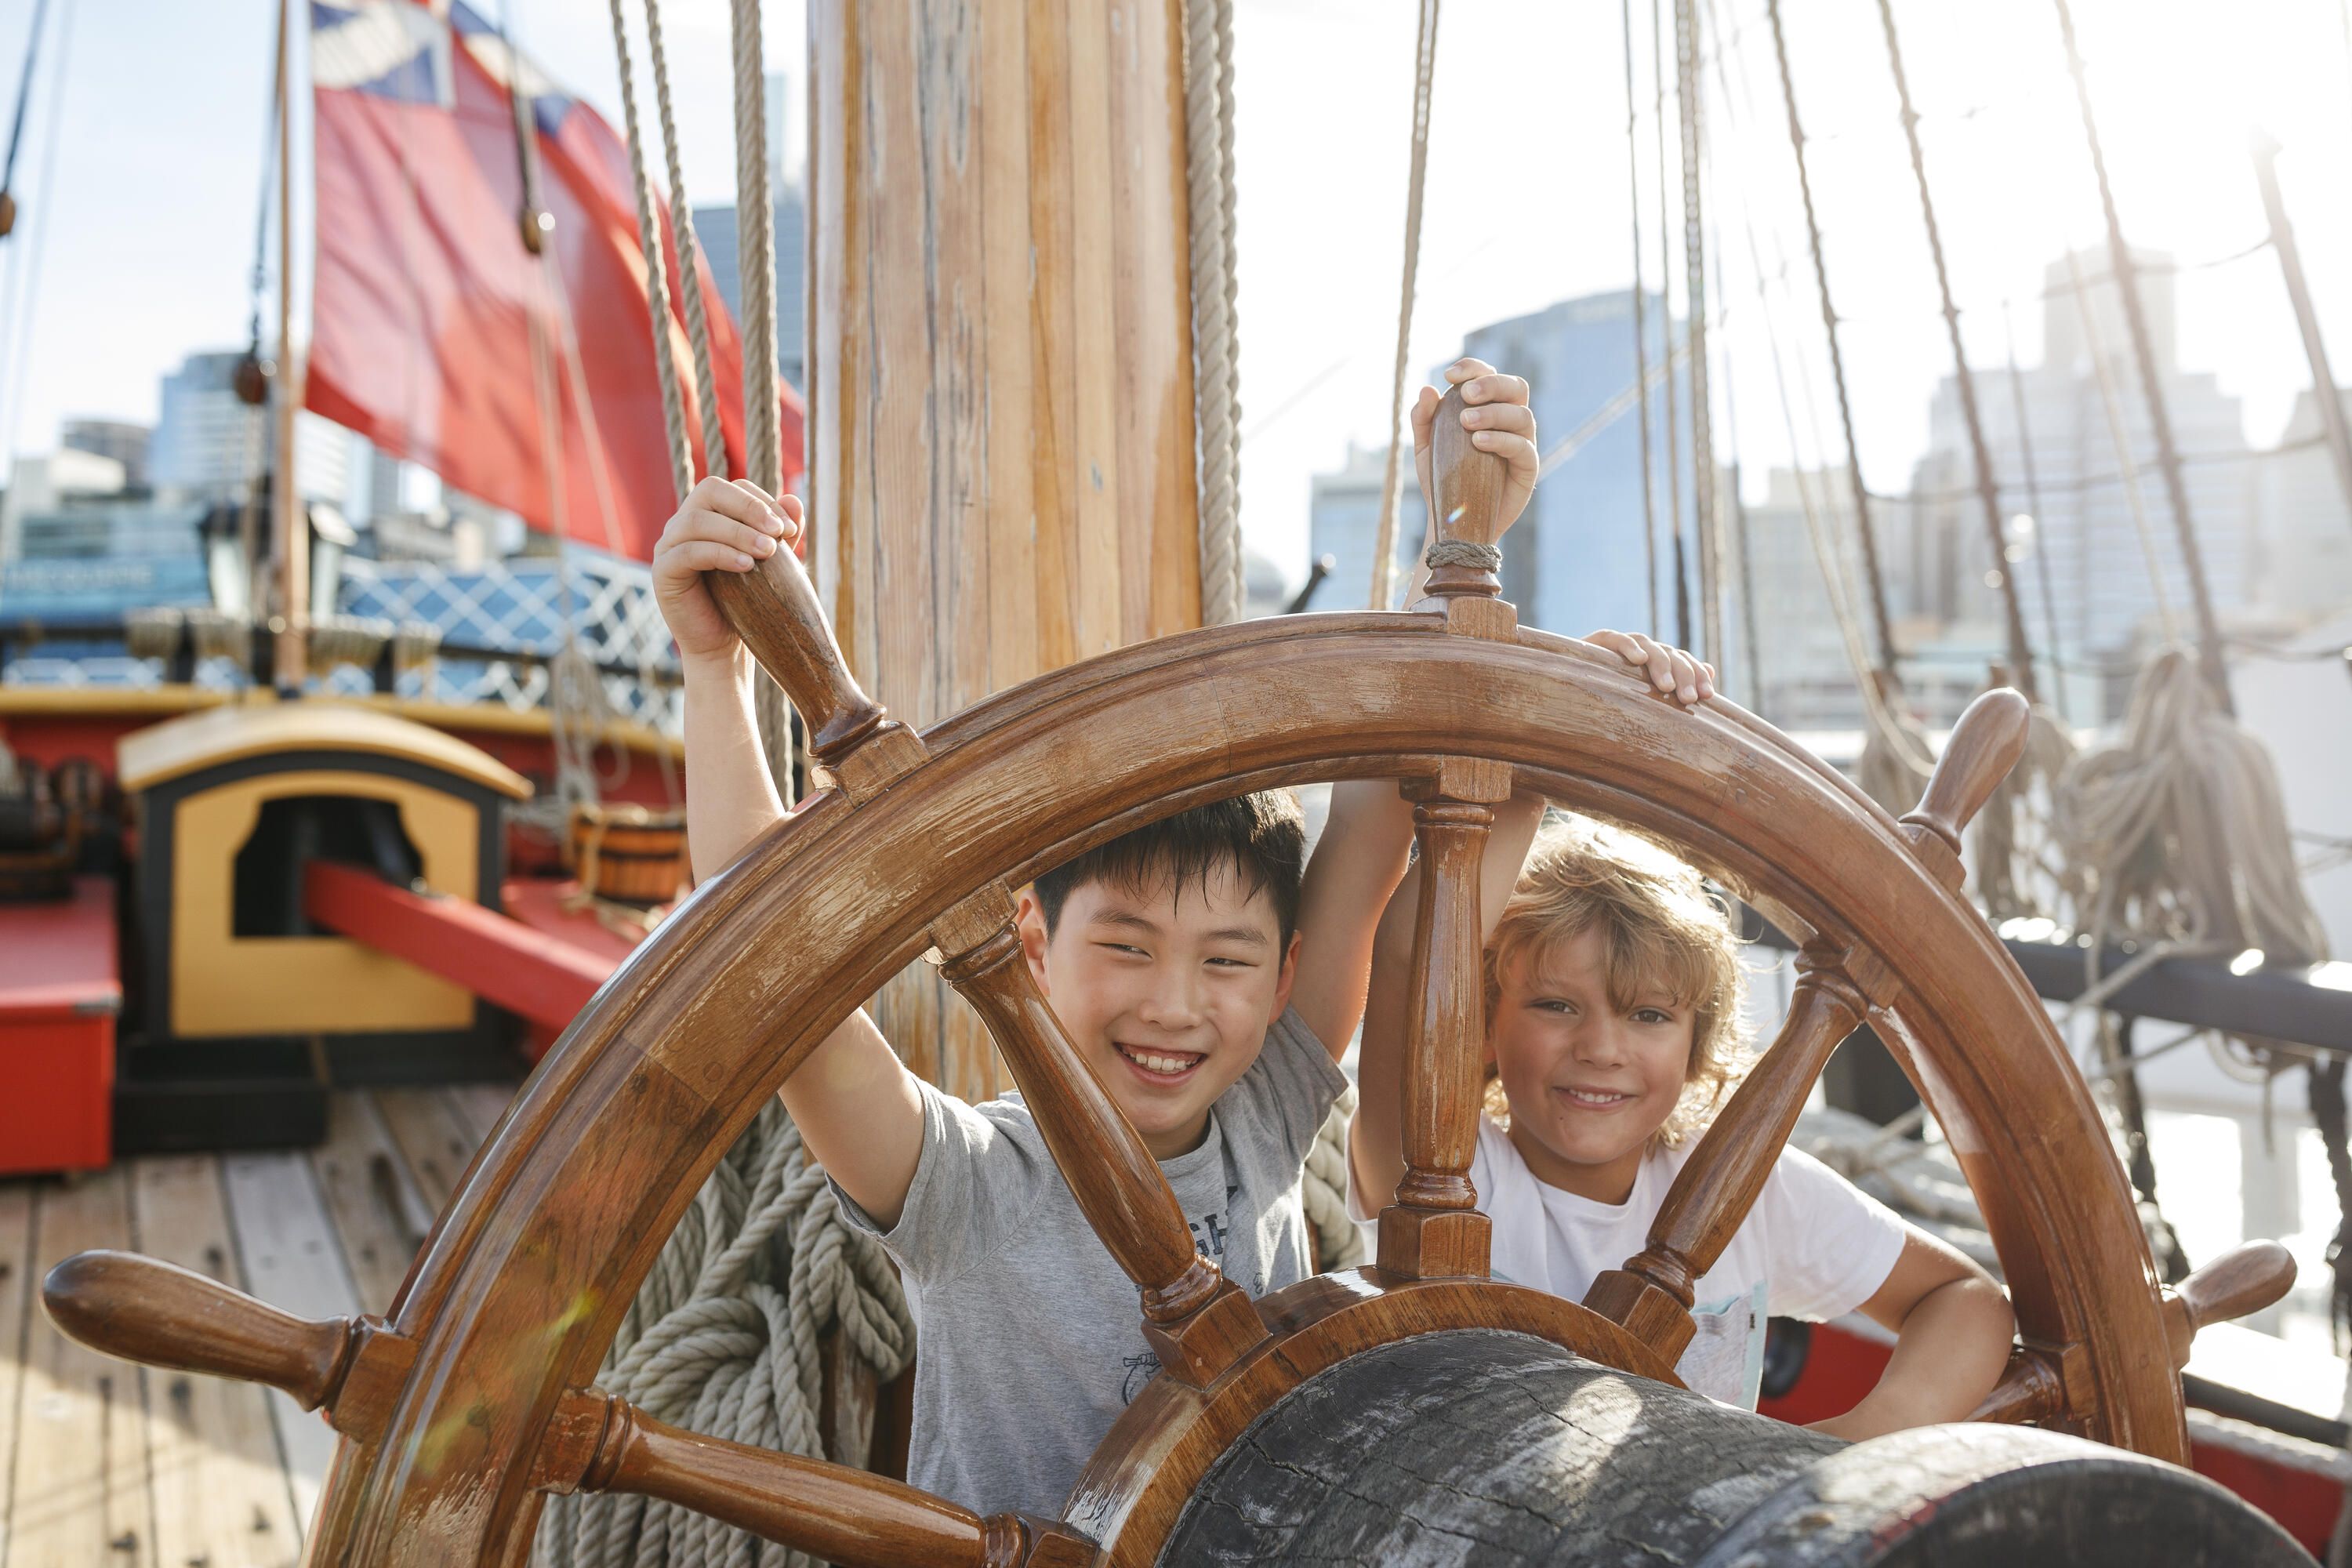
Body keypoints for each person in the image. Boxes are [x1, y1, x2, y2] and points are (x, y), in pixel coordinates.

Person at [651, 359, 1540, 1517]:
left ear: (1285, 980)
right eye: (1126, 945)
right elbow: (763, 940)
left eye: (1225, 960)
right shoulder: (962, 1187)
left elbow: (1372, 828)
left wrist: (1459, 550)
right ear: (1027, 939)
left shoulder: (1270, 1104)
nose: (1175, 1004)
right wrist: (712, 664)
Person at [1348, 784, 2017, 1437]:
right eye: (1555, 1004)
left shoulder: (1749, 1192)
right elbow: (1411, 957)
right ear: (1482, 1024)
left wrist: (1853, 1447)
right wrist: (1525, 781)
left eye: (1648, 1014)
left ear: (1697, 1049)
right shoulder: (1438, 1169)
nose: (1602, 1049)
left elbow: (1966, 1303)